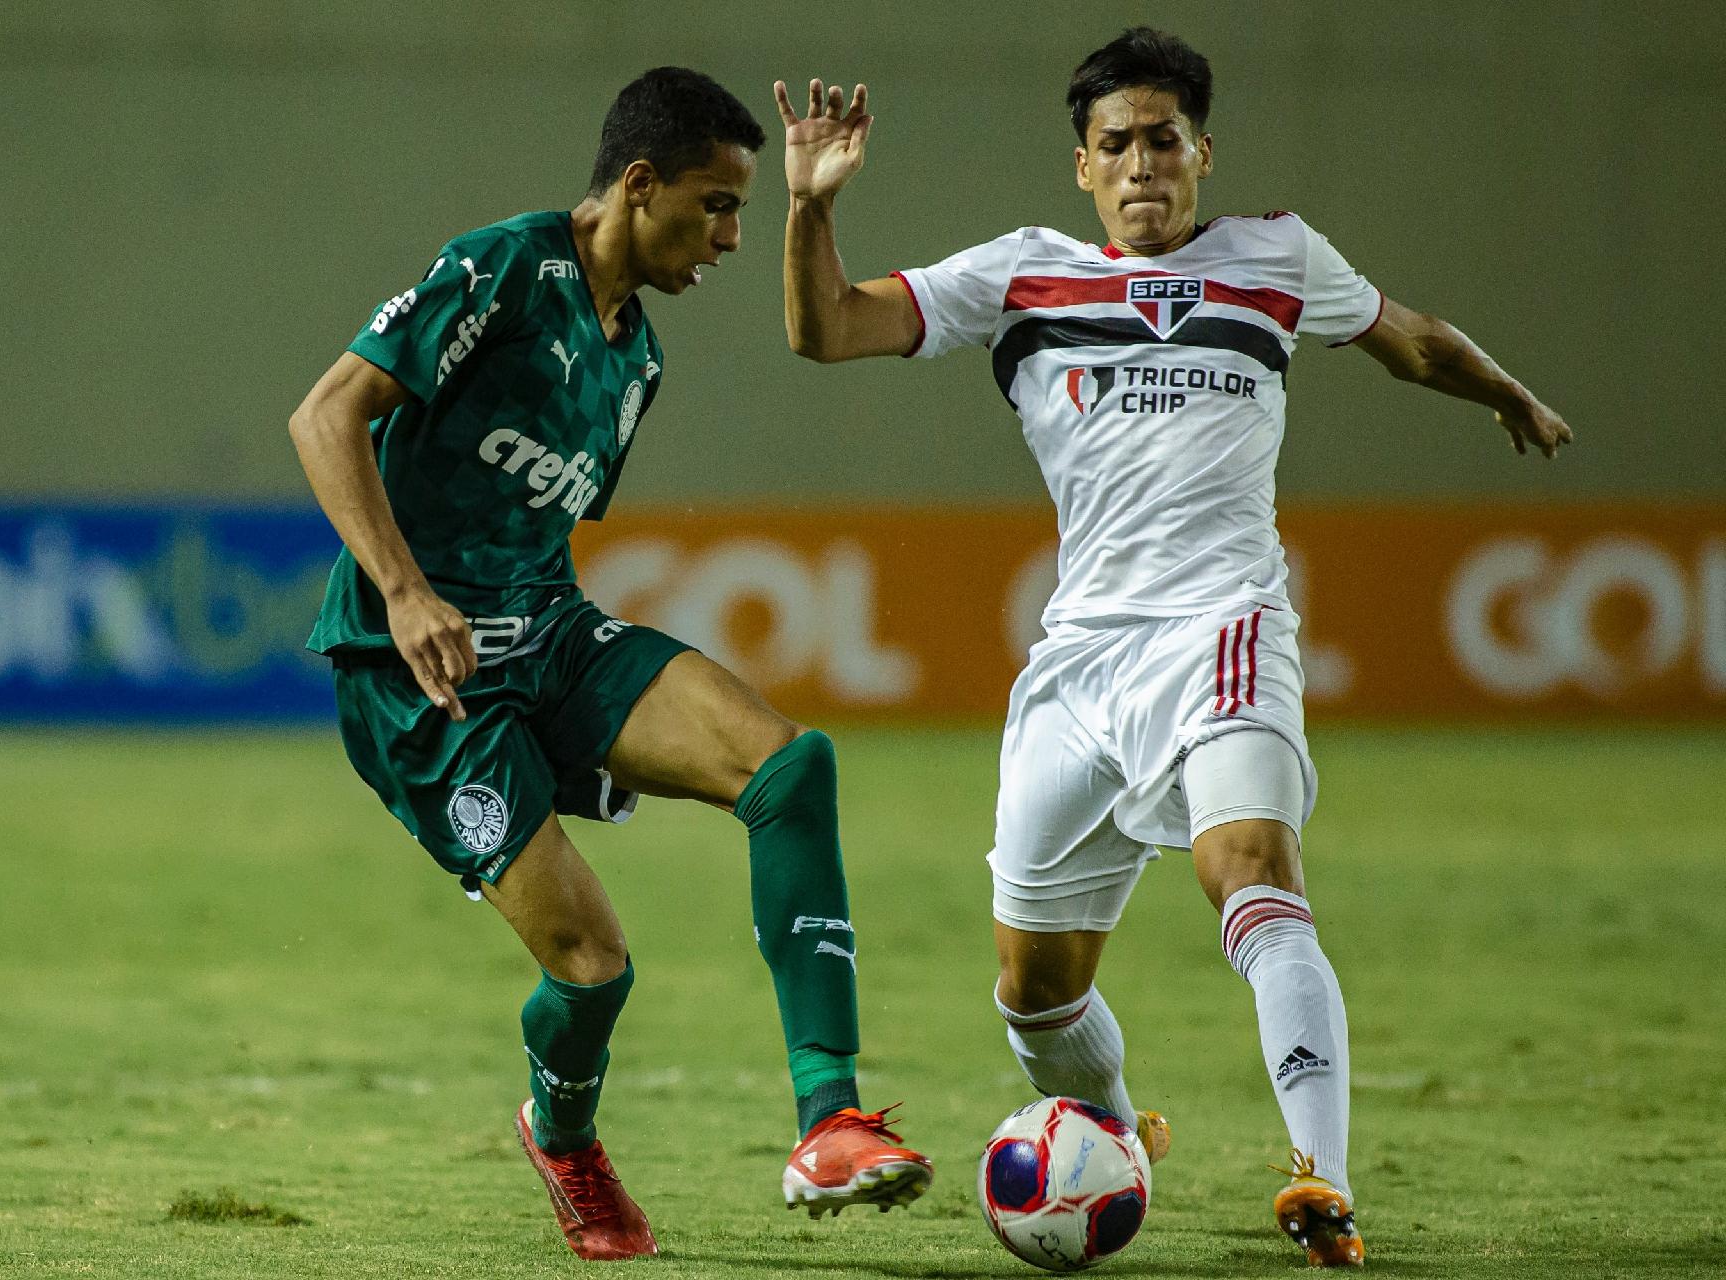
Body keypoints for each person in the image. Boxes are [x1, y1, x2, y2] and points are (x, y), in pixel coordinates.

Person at [777, 28, 1570, 1269]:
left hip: (1227, 629)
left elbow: (1409, 335)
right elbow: (824, 330)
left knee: (1250, 863)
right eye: (1115, 145)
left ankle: (1325, 1177)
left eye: (1162, 139)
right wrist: (809, 209)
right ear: (1080, 168)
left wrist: (1505, 391)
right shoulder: (1021, 275)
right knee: (1033, 988)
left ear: (1201, 151)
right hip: (1080, 665)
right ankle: (1107, 1127)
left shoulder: (1279, 256)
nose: (1141, 164)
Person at [288, 66, 932, 1262]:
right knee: (592, 967)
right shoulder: (501, 270)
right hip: (413, 674)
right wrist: (407, 588)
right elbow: (326, 416)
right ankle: (564, 1133)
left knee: (791, 768)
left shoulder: (637, 362)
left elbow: (531, 532)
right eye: (716, 204)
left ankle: (830, 1117)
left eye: (743, 210)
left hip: (544, 632)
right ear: (639, 186)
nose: (731, 236)